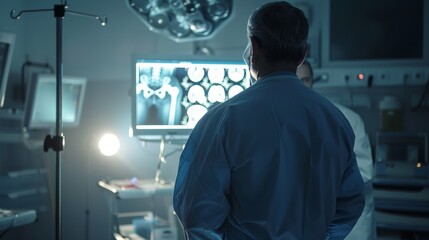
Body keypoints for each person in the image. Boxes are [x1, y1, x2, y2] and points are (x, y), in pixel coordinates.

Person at [173, 1, 365, 239]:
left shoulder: (223, 120)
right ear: (303, 54)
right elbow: (350, 204)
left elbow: (198, 215)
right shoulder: (334, 120)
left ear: (254, 47)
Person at [297, 60, 376, 240]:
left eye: (305, 80)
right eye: (295, 81)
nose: (301, 86)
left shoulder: (347, 119)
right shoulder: (281, 120)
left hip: (349, 225)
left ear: (312, 82)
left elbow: (363, 172)